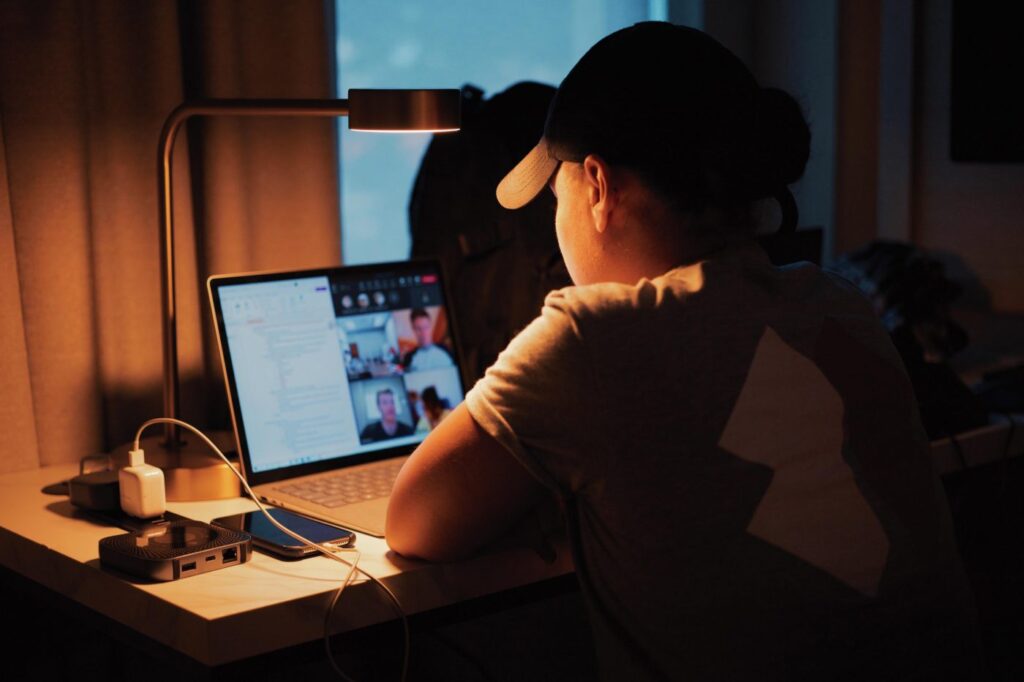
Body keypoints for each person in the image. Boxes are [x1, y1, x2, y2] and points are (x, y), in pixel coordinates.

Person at [387, 22, 983, 681]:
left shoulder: (590, 338)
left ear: (597, 185)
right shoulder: (838, 303)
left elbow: (413, 522)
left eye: (555, 197)